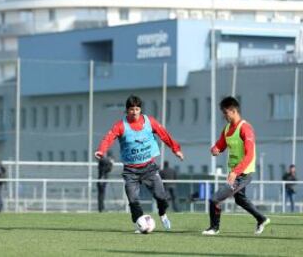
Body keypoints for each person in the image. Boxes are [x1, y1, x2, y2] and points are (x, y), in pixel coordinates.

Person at [95, 95, 184, 233]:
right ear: (127, 110)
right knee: (133, 200)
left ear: (140, 109)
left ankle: (163, 214)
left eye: (137, 109)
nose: (135, 112)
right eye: (131, 109)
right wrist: (101, 151)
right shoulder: (121, 126)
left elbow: (164, 134)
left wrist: (176, 149)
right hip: (131, 171)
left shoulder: (150, 122)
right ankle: (141, 223)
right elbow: (108, 138)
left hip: (149, 168)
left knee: (161, 197)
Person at [202, 96, 270, 235]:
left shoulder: (245, 128)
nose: (224, 116)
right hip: (234, 173)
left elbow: (249, 155)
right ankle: (261, 219)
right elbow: (220, 145)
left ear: (233, 111)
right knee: (240, 200)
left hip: (243, 174)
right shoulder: (227, 128)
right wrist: (215, 149)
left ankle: (214, 228)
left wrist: (235, 172)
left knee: (215, 199)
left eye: (225, 113)